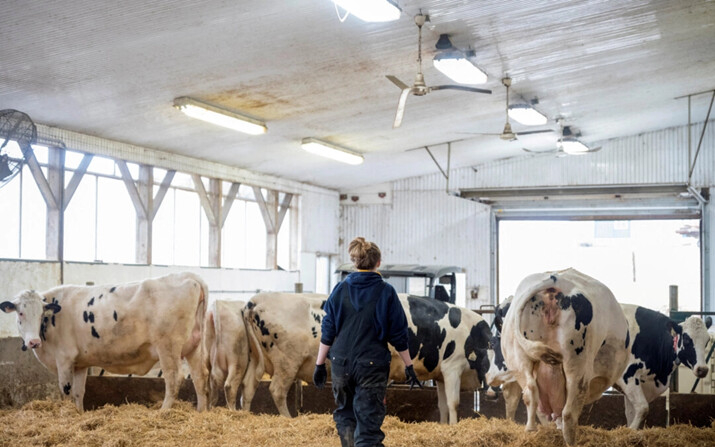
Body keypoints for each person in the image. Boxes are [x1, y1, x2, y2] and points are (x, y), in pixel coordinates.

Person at [313, 237, 420, 447]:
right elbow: (398, 335)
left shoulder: (339, 289)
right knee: (368, 423)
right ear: (378, 263)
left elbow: (328, 331)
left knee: (345, 415)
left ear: (355, 262)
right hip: (371, 364)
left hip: (340, 363)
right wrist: (409, 366)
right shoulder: (386, 292)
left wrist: (319, 364)